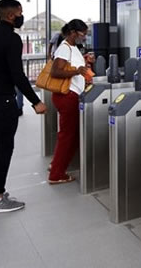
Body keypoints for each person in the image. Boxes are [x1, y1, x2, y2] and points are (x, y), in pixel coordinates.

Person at [0, 0, 47, 214]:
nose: (21, 16)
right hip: (2, 100)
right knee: (5, 146)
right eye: (20, 12)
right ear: (10, 15)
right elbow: (17, 74)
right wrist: (35, 101)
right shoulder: (12, 39)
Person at [48, 19, 90, 184]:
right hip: (67, 96)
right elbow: (55, 71)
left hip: (71, 95)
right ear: (73, 32)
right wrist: (76, 71)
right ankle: (56, 174)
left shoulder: (72, 48)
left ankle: (56, 165)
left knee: (68, 135)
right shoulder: (64, 48)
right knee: (68, 136)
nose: (85, 37)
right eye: (83, 34)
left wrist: (83, 64)